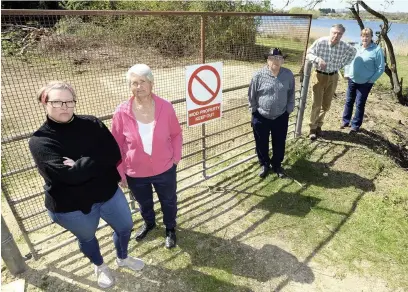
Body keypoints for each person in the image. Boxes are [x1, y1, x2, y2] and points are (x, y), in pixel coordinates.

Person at [28, 81, 144, 289]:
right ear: (44, 103)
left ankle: (123, 257)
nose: (64, 106)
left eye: (69, 101)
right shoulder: (40, 141)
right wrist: (95, 160)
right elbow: (69, 177)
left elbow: (114, 153)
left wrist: (78, 163)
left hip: (108, 193)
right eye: (56, 102)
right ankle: (99, 265)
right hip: (72, 206)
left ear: (74, 102)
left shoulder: (91, 123)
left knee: (125, 226)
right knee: (87, 237)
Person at [112, 64, 182, 249]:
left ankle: (170, 228)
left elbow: (176, 134)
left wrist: (175, 158)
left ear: (151, 83)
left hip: (165, 167)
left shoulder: (165, 107)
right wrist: (121, 172)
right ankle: (149, 223)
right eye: (134, 83)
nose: (139, 86)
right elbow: (116, 145)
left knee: (168, 200)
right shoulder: (121, 112)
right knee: (144, 202)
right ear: (130, 86)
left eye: (143, 82)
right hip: (135, 171)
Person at [248, 48, 295, 179]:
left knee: (279, 142)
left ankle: (277, 165)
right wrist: (254, 112)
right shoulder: (258, 75)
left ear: (283, 60)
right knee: (261, 142)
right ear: (267, 60)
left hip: (281, 116)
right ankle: (264, 164)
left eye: (279, 58)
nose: (276, 61)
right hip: (261, 116)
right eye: (273, 58)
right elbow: (251, 96)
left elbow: (291, 93)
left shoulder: (288, 75)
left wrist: (289, 110)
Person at [306, 24, 357, 140]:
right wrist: (318, 59)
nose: (336, 35)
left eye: (339, 34)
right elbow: (309, 53)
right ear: (330, 32)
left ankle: (319, 125)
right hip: (319, 75)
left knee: (326, 105)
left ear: (342, 35)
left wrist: (341, 64)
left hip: (333, 77)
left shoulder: (344, 46)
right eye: (334, 32)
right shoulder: (321, 42)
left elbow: (353, 52)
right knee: (316, 104)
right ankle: (312, 128)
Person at [341, 28, 385, 133]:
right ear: (361, 37)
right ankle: (345, 121)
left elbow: (380, 68)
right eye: (363, 36)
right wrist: (347, 73)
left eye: (367, 36)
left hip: (365, 82)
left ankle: (355, 125)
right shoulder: (356, 47)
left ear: (371, 37)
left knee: (360, 103)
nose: (365, 38)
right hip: (352, 79)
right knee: (348, 101)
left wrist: (371, 80)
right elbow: (348, 61)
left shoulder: (376, 50)